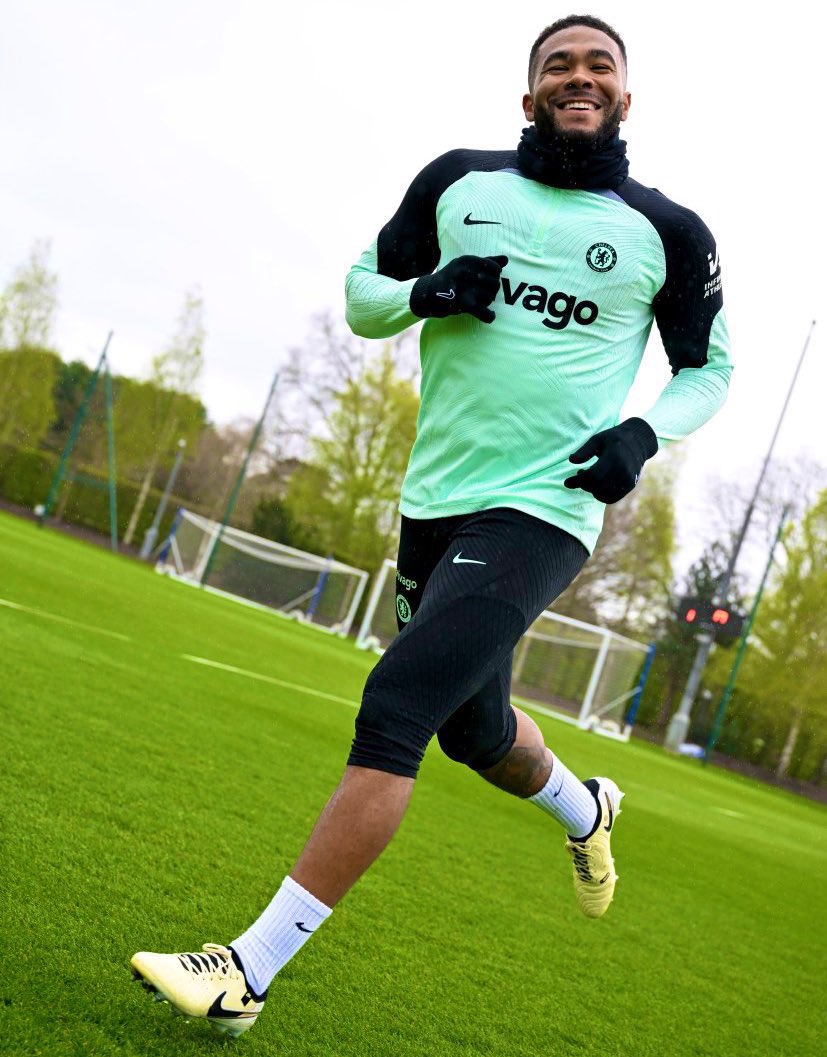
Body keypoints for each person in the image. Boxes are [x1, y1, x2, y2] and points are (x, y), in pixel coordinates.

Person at [130, 14, 732, 1037]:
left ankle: (247, 971)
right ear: (527, 93)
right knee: (473, 731)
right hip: (433, 497)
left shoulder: (667, 232)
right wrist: (422, 292)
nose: (577, 78)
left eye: (598, 67)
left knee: (398, 700)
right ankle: (587, 811)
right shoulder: (459, 182)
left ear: (625, 96)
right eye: (557, 66)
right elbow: (363, 300)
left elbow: (708, 367)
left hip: (549, 503)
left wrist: (640, 433)